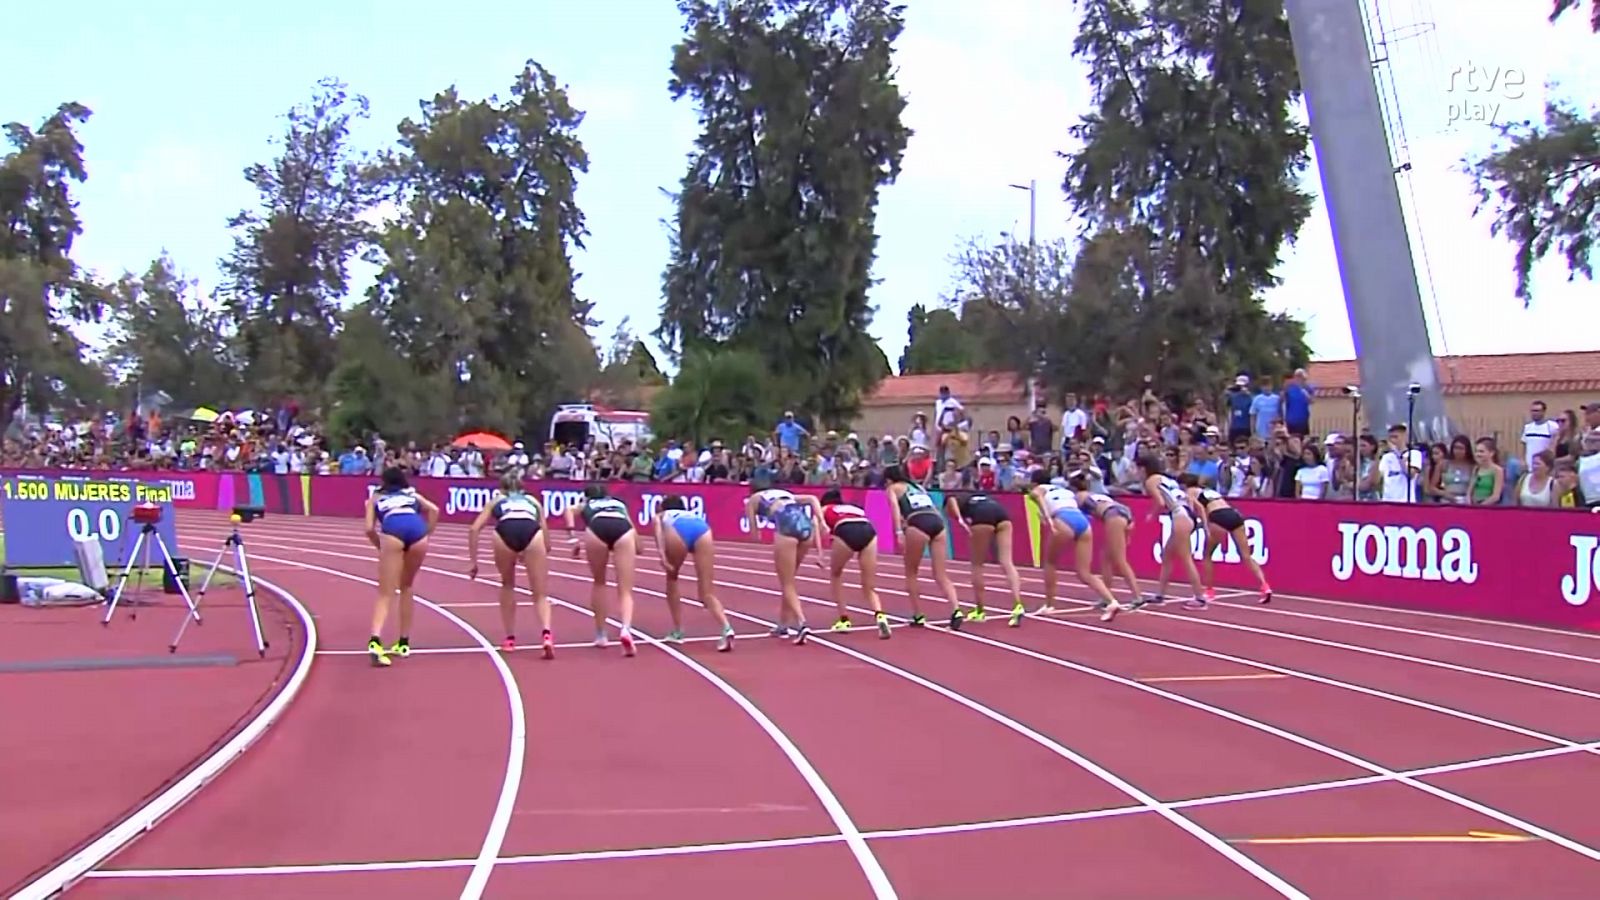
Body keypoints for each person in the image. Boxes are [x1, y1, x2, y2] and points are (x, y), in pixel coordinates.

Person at [466, 471, 555, 657]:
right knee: (539, 592)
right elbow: (546, 537)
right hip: (532, 531)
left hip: (505, 530)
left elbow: (474, 529)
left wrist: (474, 562)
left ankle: (510, 638)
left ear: (502, 488)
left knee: (507, 585)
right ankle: (546, 634)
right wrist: (537, 550)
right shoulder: (533, 501)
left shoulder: (496, 501)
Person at [363, 466, 439, 667]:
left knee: (385, 592)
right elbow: (434, 510)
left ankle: (375, 641)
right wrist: (427, 533)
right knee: (407, 586)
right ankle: (404, 642)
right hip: (418, 532)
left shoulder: (375, 498)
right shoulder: (412, 494)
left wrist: (380, 545)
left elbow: (369, 528)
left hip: (393, 531)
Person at [1024, 471, 1121, 622]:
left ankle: (1049, 604)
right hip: (1082, 522)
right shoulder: (1066, 491)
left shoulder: (1038, 490)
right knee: (1084, 573)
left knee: (1049, 563)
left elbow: (1037, 496)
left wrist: (1048, 518)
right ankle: (1111, 601)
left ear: (1034, 483)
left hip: (1063, 519)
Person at [744, 478, 824, 644]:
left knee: (786, 582)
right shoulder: (786, 494)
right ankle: (783, 624)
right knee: (789, 581)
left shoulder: (753, 500)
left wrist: (758, 537)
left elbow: (754, 533)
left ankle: (802, 623)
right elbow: (812, 499)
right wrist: (821, 521)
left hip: (786, 526)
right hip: (805, 526)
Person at [652, 495, 736, 651]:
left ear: (663, 507)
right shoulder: (692, 514)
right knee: (707, 592)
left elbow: (658, 532)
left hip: (677, 530)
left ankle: (678, 631)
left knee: (672, 578)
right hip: (702, 530)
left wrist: (662, 556)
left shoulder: (662, 515)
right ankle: (726, 627)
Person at [562, 484, 638, 656]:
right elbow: (632, 527)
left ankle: (601, 634)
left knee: (599, 582)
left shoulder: (586, 504)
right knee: (625, 589)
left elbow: (568, 510)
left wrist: (572, 535)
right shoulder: (618, 503)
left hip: (597, 527)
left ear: (587, 497)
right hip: (623, 528)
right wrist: (637, 546)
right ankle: (626, 629)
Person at [882, 465, 961, 628]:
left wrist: (898, 532)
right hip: (938, 523)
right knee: (941, 574)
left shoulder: (893, 488)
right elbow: (932, 507)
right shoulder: (918, 487)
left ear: (888, 479)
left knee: (911, 572)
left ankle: (918, 615)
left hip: (918, 522)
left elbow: (895, 510)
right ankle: (956, 609)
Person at [1176, 474, 1272, 603]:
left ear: (1184, 484)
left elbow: (1198, 509)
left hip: (1216, 516)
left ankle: (1209, 591)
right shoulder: (1210, 491)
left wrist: (1205, 526)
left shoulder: (1190, 491)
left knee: (1208, 555)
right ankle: (1264, 586)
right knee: (1246, 556)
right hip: (1233, 514)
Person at [1134, 454, 1208, 610]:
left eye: (1137, 469)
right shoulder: (1167, 479)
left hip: (1179, 515)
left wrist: (1151, 514)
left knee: (1186, 558)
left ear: (1143, 468)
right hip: (1187, 513)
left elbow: (1160, 502)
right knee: (1166, 555)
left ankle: (1200, 598)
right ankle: (1160, 594)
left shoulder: (1150, 481)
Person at [944, 489, 1026, 627]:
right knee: (1007, 562)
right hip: (1002, 515)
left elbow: (951, 500)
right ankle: (1018, 604)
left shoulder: (956, 501)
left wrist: (960, 520)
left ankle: (980, 611)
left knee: (977, 565)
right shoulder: (978, 497)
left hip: (982, 518)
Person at [817, 488, 892, 638]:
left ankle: (844, 619)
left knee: (836, 575)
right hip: (868, 530)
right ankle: (880, 615)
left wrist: (821, 554)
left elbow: (818, 530)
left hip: (846, 529)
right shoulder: (854, 507)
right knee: (869, 585)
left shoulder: (824, 509)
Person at [1069, 477, 1146, 605]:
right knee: (1105, 557)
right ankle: (1107, 594)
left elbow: (1079, 517)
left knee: (1119, 560)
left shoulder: (1079, 497)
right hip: (1125, 513)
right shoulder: (1096, 495)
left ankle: (1138, 596)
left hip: (1113, 515)